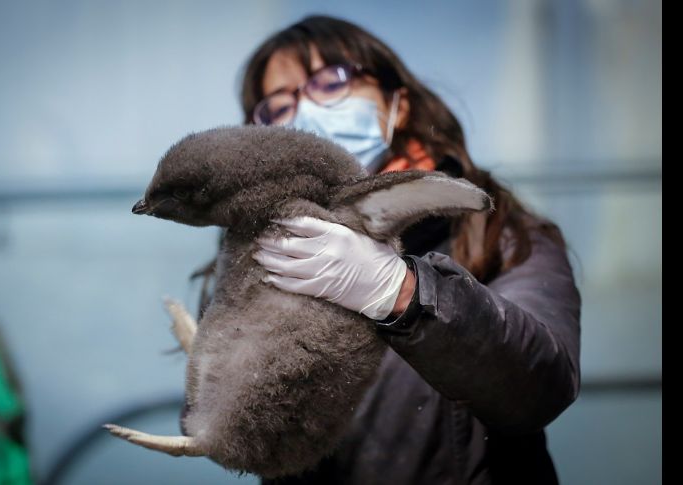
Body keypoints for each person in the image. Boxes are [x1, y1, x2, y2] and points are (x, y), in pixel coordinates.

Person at [193, 14, 581, 484]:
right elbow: (239, 429)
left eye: (330, 81)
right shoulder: (255, 247)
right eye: (276, 108)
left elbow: (539, 388)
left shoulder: (502, 234)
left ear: (398, 101)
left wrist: (401, 293)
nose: (304, 113)